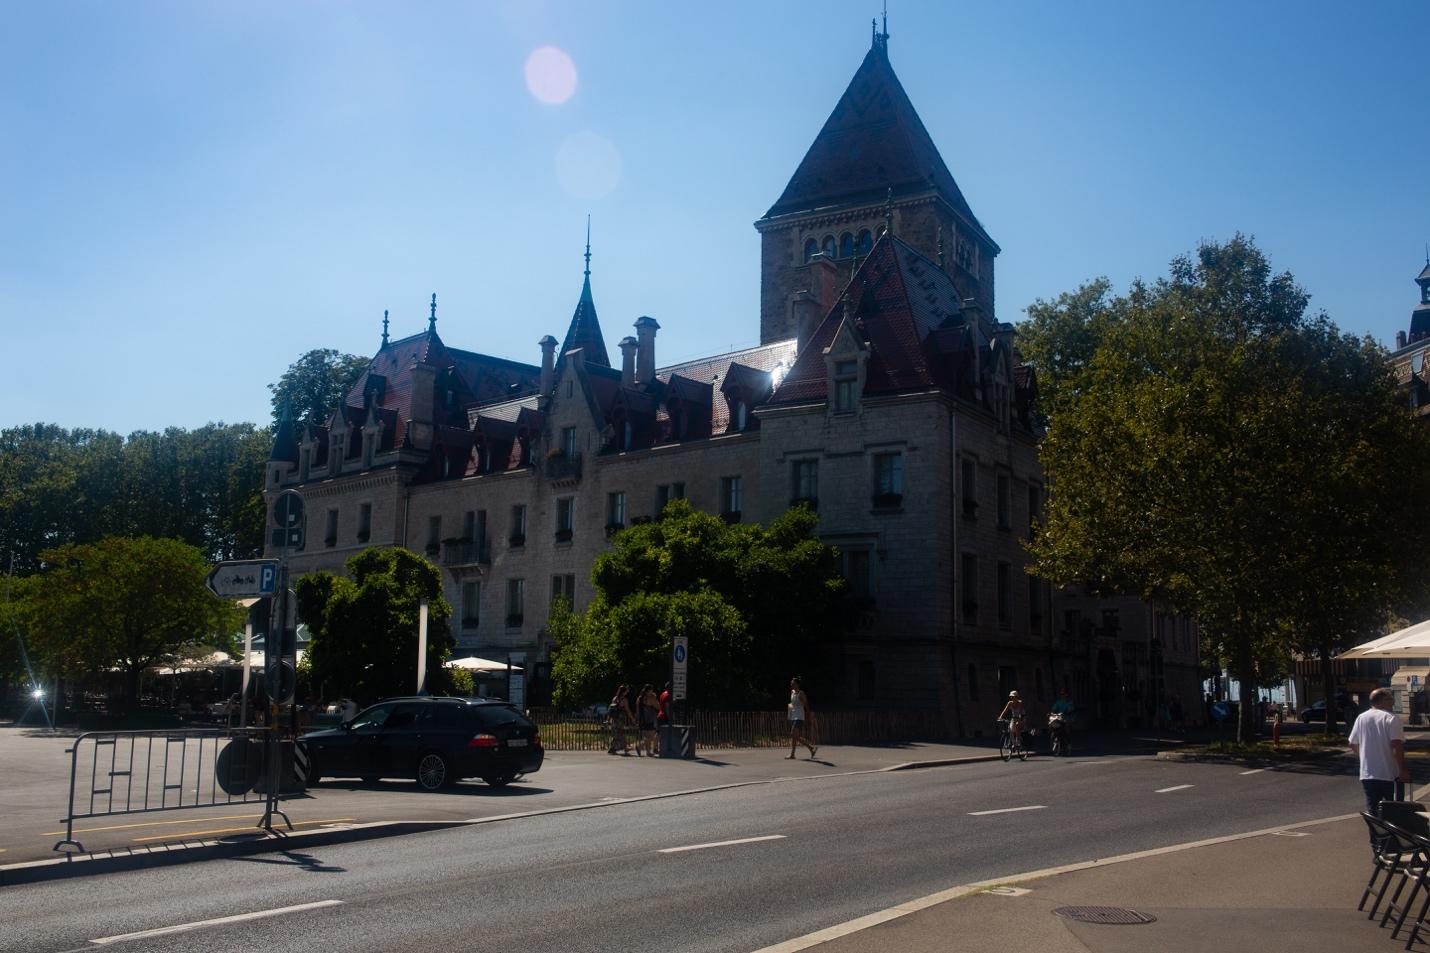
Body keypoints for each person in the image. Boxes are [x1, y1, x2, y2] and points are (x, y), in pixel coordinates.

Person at [1348, 687, 1409, 821]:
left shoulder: (1361, 718)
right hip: (1390, 774)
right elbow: (1396, 745)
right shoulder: (1391, 719)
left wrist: (1364, 757)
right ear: (1382, 701)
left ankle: (1376, 839)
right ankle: (1391, 840)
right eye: (1390, 699)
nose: (1393, 702)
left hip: (1368, 774)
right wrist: (1402, 770)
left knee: (1373, 810)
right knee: (1394, 811)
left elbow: (1352, 743)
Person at [787, 677, 817, 760]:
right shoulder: (792, 692)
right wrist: (789, 715)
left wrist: (808, 715)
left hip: (799, 717)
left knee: (793, 734)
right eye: (791, 683)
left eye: (792, 683)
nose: (791, 684)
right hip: (793, 716)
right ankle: (810, 748)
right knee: (794, 736)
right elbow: (791, 704)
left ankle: (809, 748)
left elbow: (806, 705)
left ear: (797, 684)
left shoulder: (801, 693)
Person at [607, 684, 633, 755]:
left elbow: (610, 710)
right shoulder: (624, 700)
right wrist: (632, 718)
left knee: (616, 734)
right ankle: (616, 748)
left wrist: (608, 719)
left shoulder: (615, 698)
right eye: (626, 691)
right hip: (620, 719)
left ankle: (618, 747)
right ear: (623, 692)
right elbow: (628, 710)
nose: (627, 692)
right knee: (621, 733)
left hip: (614, 719)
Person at [637, 684, 660, 757]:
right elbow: (658, 706)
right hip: (650, 718)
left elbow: (637, 710)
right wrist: (655, 697)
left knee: (646, 735)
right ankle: (640, 746)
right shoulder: (651, 697)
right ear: (649, 691)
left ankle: (648, 752)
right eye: (651, 690)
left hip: (642, 719)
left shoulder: (639, 698)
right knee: (652, 736)